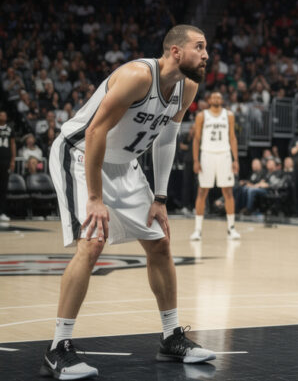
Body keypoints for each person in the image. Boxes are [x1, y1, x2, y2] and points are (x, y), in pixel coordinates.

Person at [43, 25, 215, 379]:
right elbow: (95, 131)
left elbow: (166, 138)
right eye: (199, 47)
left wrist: (160, 197)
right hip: (80, 155)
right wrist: (95, 197)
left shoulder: (188, 87)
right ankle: (58, 348)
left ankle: (171, 337)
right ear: (176, 52)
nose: (206, 55)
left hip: (125, 164)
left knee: (160, 242)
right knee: (92, 243)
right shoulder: (138, 76)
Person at [190, 91, 241, 241]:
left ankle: (231, 228)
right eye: (213, 97)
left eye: (218, 97)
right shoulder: (202, 115)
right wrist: (196, 160)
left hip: (224, 154)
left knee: (228, 192)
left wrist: (235, 159)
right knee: (202, 191)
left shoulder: (229, 115)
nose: (216, 99)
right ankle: (197, 230)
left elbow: (232, 137)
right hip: (207, 154)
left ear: (222, 100)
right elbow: (196, 139)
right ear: (209, 100)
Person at [0, 110, 14, 224]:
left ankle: (2, 212)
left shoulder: (9, 129)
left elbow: (13, 144)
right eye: (1, 114)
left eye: (4, 114)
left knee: (3, 187)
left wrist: (13, 160)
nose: (3, 116)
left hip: (5, 161)